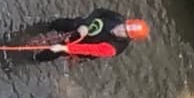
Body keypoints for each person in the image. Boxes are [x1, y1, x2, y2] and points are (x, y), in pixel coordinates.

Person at [20, 9, 149, 60]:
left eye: (125, 32)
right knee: (59, 24)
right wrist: (85, 25)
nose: (121, 29)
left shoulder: (114, 48)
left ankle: (33, 59)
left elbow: (89, 49)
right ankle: (42, 28)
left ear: (128, 37)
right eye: (124, 26)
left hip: (82, 45)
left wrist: (64, 48)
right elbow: (99, 12)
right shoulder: (116, 18)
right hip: (80, 27)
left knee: (52, 52)